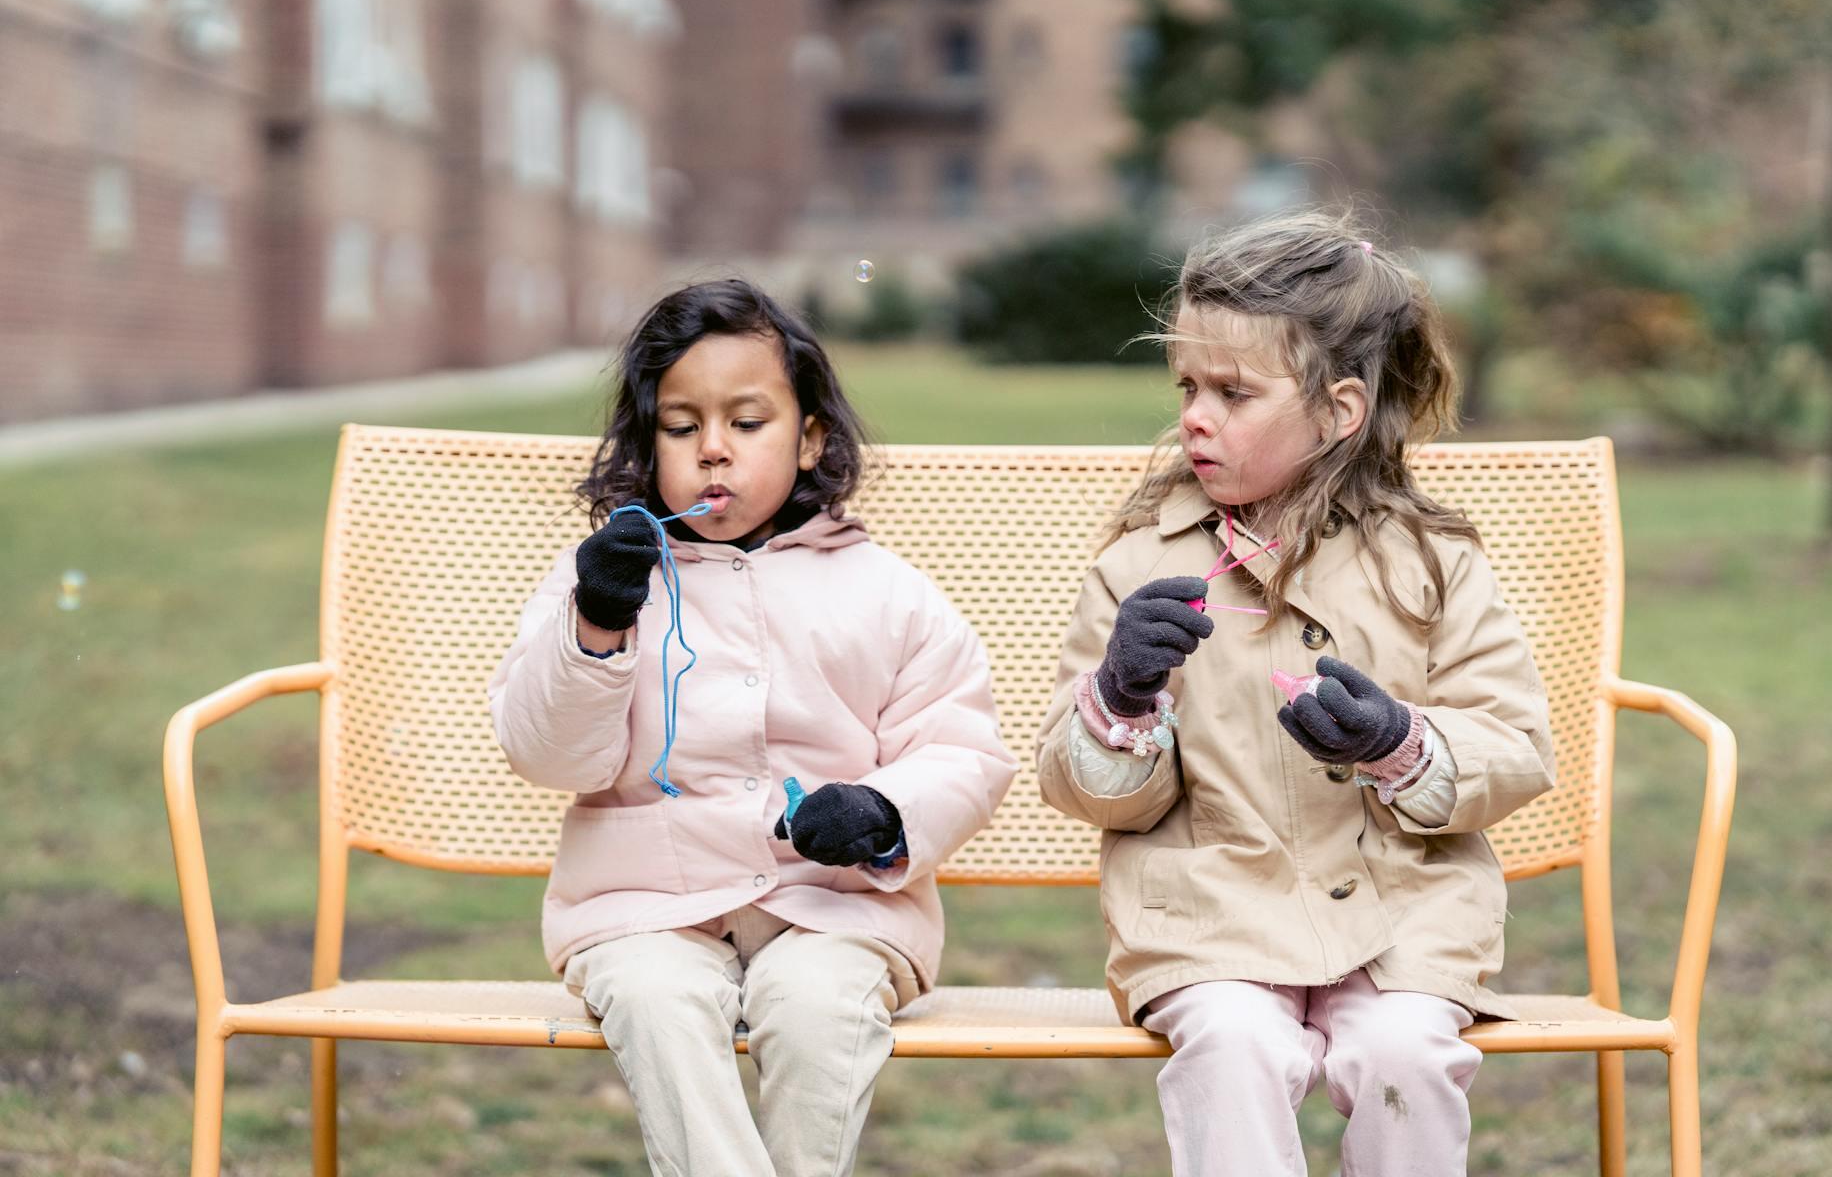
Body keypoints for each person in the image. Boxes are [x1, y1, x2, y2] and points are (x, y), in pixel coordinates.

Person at [1036, 211, 1555, 1177]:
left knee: (1405, 1055)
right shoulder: (1137, 565)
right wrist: (1121, 694)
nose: (1195, 415)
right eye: (1188, 386)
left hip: (1405, 919)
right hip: (1212, 920)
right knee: (1232, 1046)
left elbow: (1515, 746)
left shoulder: (1431, 564)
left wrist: (1399, 741)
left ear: (1340, 410)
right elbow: (1092, 795)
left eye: (1233, 392)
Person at [491, 278, 1015, 1177]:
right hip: (643, 907)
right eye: (682, 426)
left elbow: (961, 749)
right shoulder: (609, 580)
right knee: (655, 1002)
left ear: (811, 438)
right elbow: (548, 752)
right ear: (646, 441)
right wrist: (597, 628)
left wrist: (885, 812)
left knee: (818, 1010)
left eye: (748, 421)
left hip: (832, 907)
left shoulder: (882, 591)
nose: (714, 452)